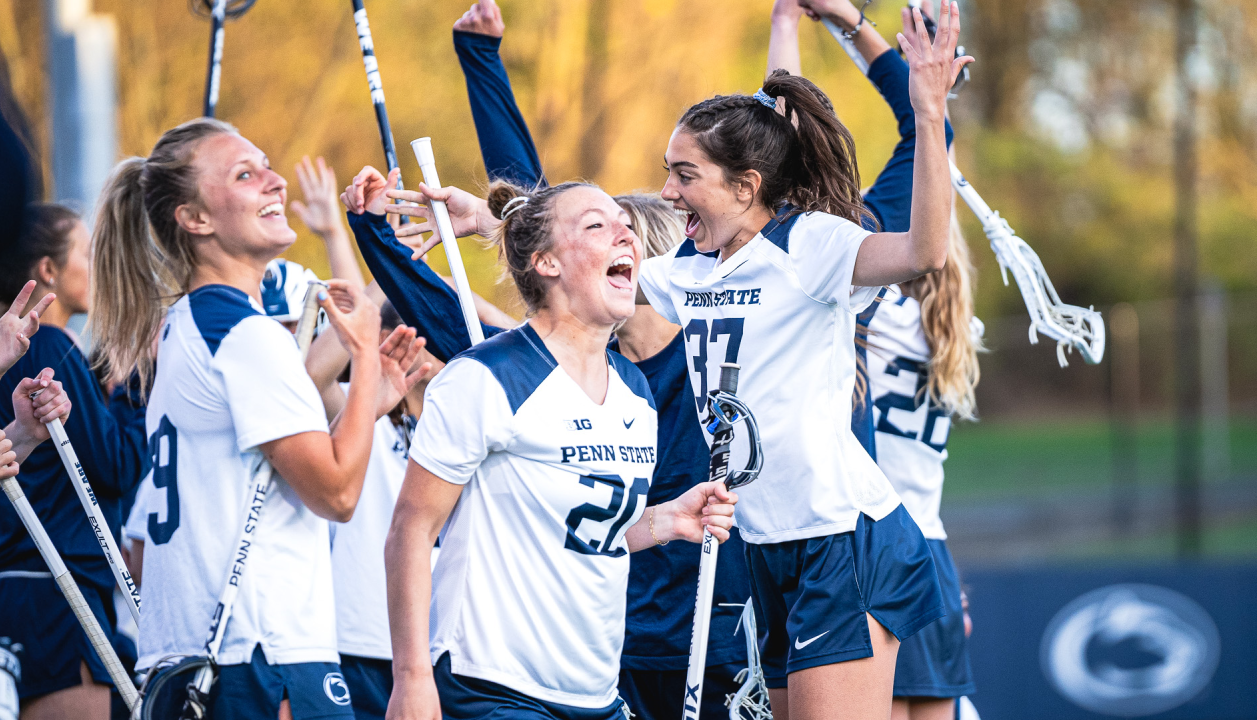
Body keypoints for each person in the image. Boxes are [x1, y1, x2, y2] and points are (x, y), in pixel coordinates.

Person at [635, 3, 974, 719]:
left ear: (746, 186)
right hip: (767, 544)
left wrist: (928, 110)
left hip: (843, 538)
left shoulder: (809, 245)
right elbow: (594, 273)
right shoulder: (688, 271)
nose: (668, 192)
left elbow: (925, 252)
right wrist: (503, 217)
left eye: (683, 174)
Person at [86, 117, 428, 720]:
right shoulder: (243, 334)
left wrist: (368, 403)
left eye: (266, 164)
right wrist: (366, 358)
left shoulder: (187, 325)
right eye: (246, 174)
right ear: (195, 219)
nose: (274, 181)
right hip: (262, 657)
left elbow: (262, 473)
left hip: (195, 658)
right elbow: (339, 492)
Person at [380, 179, 739, 720]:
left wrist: (664, 521)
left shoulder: (634, 394)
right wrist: (412, 681)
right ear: (545, 263)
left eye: (625, 224)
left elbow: (589, 532)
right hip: (493, 684)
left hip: (595, 694)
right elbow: (411, 529)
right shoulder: (484, 377)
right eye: (598, 224)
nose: (626, 233)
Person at [777, 2, 983, 718]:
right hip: (934, 550)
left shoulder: (850, 294)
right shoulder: (954, 326)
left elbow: (784, 153)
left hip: (867, 544)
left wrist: (795, 25)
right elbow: (928, 131)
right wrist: (851, 23)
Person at [0, 203, 147, 720]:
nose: (98, 265)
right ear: (49, 269)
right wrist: (137, 386)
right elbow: (116, 463)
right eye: (87, 251)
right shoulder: (51, 343)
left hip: (15, 586)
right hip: (56, 587)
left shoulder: (14, 354)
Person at [305, 297, 438, 720]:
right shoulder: (365, 411)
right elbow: (311, 376)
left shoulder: (467, 422)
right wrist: (387, 260)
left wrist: (462, 296)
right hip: (359, 638)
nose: (438, 342)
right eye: (426, 327)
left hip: (439, 649)